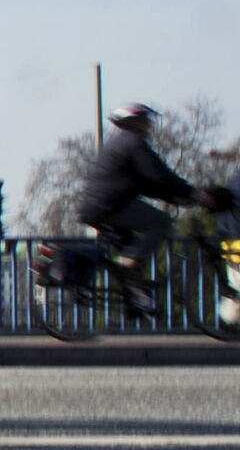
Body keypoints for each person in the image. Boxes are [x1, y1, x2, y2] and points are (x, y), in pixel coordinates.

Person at [73, 104, 220, 314]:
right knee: (161, 222)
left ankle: (136, 299)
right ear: (135, 122)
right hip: (110, 205)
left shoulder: (119, 143)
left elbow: (146, 183)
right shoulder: (134, 143)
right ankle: (129, 266)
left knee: (131, 247)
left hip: (94, 207)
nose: (149, 125)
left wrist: (175, 197)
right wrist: (193, 194)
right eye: (145, 120)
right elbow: (159, 175)